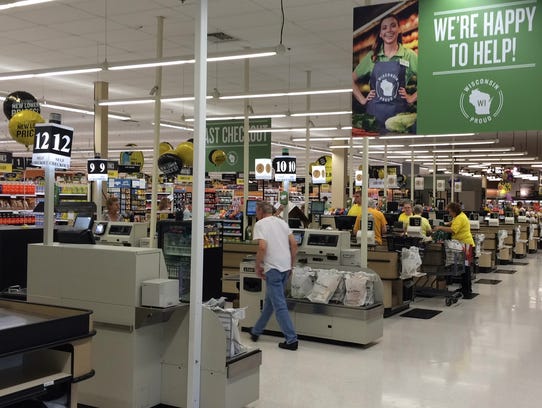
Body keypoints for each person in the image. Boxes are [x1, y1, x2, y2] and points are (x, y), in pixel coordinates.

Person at [352, 14, 418, 132]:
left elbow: (429, 78)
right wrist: (362, 100)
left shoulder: (409, 55)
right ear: (381, 34)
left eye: (393, 26)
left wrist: (412, 97)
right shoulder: (372, 57)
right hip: (373, 120)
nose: (389, 30)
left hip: (397, 121)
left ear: (399, 29)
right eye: (384, 28)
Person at [250, 201, 299, 351]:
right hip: (285, 267)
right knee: (270, 302)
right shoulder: (282, 223)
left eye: (256, 211)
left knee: (279, 305)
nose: (255, 214)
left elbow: (262, 247)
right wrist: (291, 265)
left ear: (259, 211)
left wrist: (257, 266)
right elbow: (294, 245)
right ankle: (256, 331)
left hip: (273, 269)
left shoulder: (260, 225)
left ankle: (291, 340)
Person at [433, 202, 475, 295]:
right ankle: (464, 288)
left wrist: (440, 227)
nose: (449, 214)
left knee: (466, 268)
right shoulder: (458, 217)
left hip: (466, 245)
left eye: (450, 212)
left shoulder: (460, 218)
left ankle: (467, 290)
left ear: (455, 211)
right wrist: (443, 224)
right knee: (463, 267)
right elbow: (451, 224)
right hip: (462, 245)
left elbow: (453, 229)